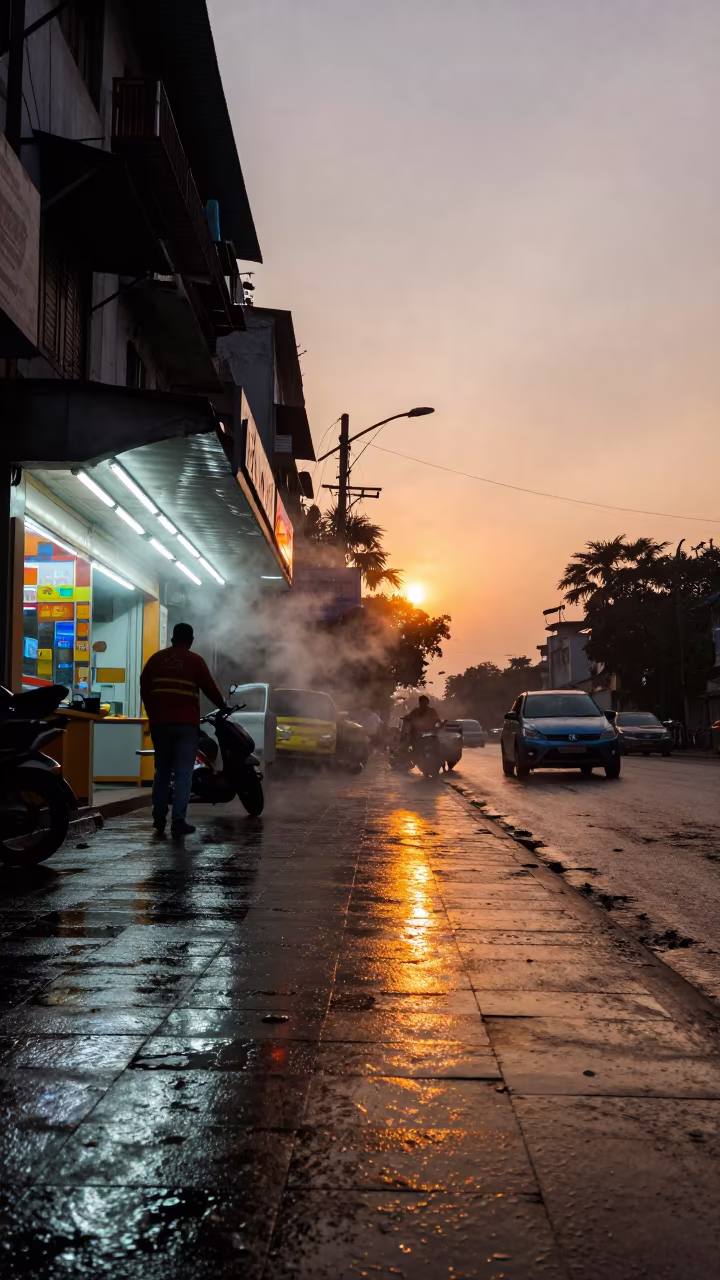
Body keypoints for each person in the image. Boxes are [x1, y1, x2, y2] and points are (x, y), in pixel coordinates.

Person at [140, 622, 225, 837]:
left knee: (162, 773)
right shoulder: (195, 661)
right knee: (184, 773)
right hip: (186, 725)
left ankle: (159, 818)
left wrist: (153, 715)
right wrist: (223, 705)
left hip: (160, 725)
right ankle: (178, 820)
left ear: (172, 638)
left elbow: (144, 688)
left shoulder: (156, 659)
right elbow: (210, 689)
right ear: (191, 640)